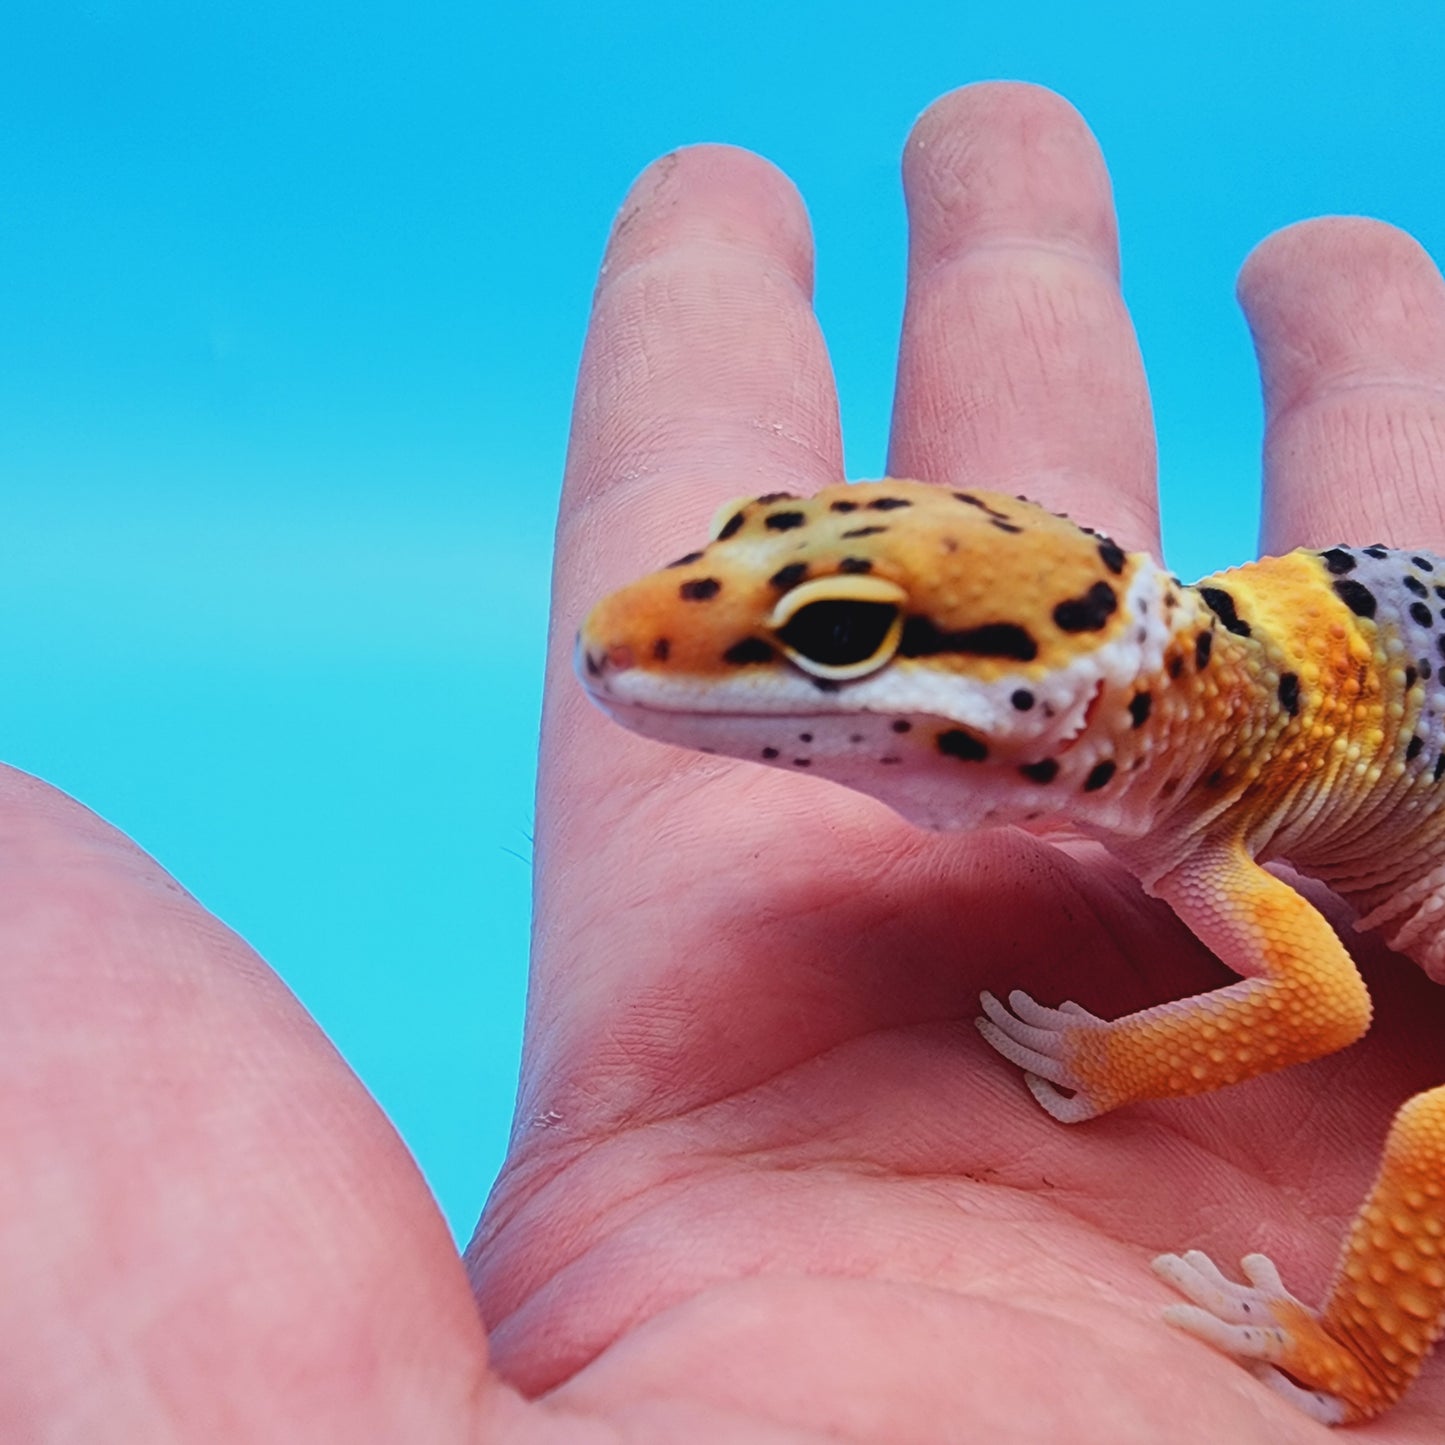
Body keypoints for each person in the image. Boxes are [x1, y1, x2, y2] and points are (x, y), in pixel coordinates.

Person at [9, 81, 1445, 1440]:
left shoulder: (1207, 827)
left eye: (829, 633)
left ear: (1068, 717)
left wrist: (1104, 1057)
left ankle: (1344, 1355)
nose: (640, 634)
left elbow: (1315, 1006)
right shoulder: (1196, 725)